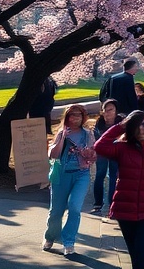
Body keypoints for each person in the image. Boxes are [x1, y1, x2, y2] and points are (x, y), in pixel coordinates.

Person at [95, 110, 144, 269]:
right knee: (135, 253)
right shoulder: (122, 148)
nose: (140, 129)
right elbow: (100, 146)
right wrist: (120, 126)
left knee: (141, 249)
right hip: (125, 208)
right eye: (135, 126)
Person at [42, 104, 96, 256]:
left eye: (79, 115)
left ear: (83, 117)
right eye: (72, 115)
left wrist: (89, 154)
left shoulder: (88, 134)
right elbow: (53, 154)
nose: (76, 118)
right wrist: (62, 138)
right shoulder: (61, 132)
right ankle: (50, 236)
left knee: (74, 207)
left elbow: (94, 155)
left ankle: (69, 241)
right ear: (67, 117)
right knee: (56, 212)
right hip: (62, 174)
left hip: (81, 174)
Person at [92, 99, 124, 214]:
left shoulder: (121, 123)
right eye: (105, 110)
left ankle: (112, 204)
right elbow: (96, 139)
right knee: (100, 175)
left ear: (116, 111)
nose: (107, 112)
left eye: (111, 110)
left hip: (115, 153)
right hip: (102, 153)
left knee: (113, 177)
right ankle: (98, 204)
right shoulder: (99, 123)